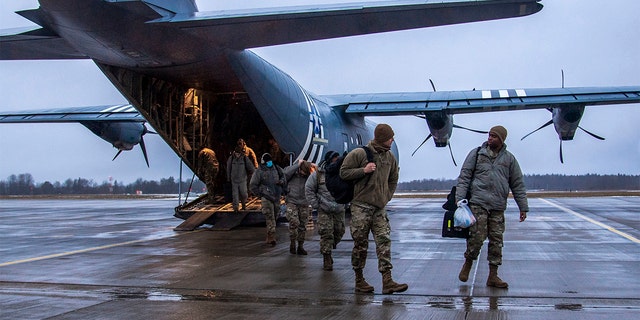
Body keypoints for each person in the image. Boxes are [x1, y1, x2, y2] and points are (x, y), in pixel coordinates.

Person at [456, 125, 529, 289]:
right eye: (489, 135)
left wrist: (523, 207)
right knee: (476, 238)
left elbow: (517, 184)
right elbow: (465, 176)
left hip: (497, 206)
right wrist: (459, 200)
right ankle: (468, 262)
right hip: (478, 203)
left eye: (494, 136)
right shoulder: (476, 155)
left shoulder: (509, 159)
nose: (490, 138)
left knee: (496, 241)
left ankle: (493, 275)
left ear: (501, 140)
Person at [340, 123, 407, 294]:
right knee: (360, 245)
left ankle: (387, 281)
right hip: (361, 206)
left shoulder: (390, 158)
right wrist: (363, 170)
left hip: (379, 208)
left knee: (384, 242)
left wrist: (387, 196)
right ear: (383, 139)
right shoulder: (360, 153)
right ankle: (359, 279)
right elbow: (344, 173)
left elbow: (393, 179)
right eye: (390, 137)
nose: (392, 140)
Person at [305, 150, 346, 271]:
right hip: (324, 209)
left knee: (339, 232)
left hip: (339, 208)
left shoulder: (342, 173)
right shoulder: (318, 175)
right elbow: (309, 189)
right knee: (326, 233)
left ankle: (331, 245)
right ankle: (327, 257)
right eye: (334, 160)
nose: (336, 162)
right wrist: (316, 205)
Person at [250, 153, 286, 246]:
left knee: (275, 215)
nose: (270, 163)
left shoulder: (276, 168)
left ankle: (270, 233)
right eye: (268, 161)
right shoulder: (259, 171)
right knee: (270, 216)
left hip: (276, 197)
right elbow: (253, 185)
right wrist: (261, 194)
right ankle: (271, 236)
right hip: (266, 197)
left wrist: (281, 182)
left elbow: (284, 176)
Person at [283, 159, 313, 255]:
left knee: (302, 226)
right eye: (303, 172)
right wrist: (297, 165)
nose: (303, 174)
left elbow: (316, 176)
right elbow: (285, 174)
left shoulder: (308, 175)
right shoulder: (292, 172)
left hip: (304, 202)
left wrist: (311, 166)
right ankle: (292, 243)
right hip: (292, 201)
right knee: (294, 223)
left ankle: (300, 246)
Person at [226, 146, 255, 212]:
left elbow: (250, 166)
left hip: (243, 179)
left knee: (244, 194)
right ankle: (236, 208)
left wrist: (254, 174)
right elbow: (228, 168)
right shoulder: (231, 158)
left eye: (238, 153)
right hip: (234, 180)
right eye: (236, 153)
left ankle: (243, 205)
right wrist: (228, 178)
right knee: (235, 195)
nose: (237, 155)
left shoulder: (244, 158)